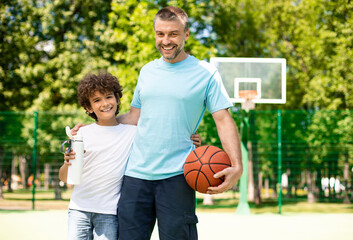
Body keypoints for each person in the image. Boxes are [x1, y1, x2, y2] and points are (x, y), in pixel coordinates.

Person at [115, 6, 243, 240]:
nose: (166, 41)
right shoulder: (146, 71)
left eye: (173, 34)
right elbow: (133, 117)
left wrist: (237, 165)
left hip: (178, 176)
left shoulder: (206, 73)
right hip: (135, 175)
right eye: (160, 34)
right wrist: (96, 126)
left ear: (186, 34)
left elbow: (223, 120)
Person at [60, 72, 201, 240]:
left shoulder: (132, 132)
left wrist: (189, 138)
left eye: (108, 97)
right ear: (89, 108)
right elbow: (66, 178)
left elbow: (161, 135)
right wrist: (68, 164)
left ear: (117, 98)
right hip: (79, 209)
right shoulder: (82, 133)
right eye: (97, 100)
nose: (105, 103)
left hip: (109, 213)